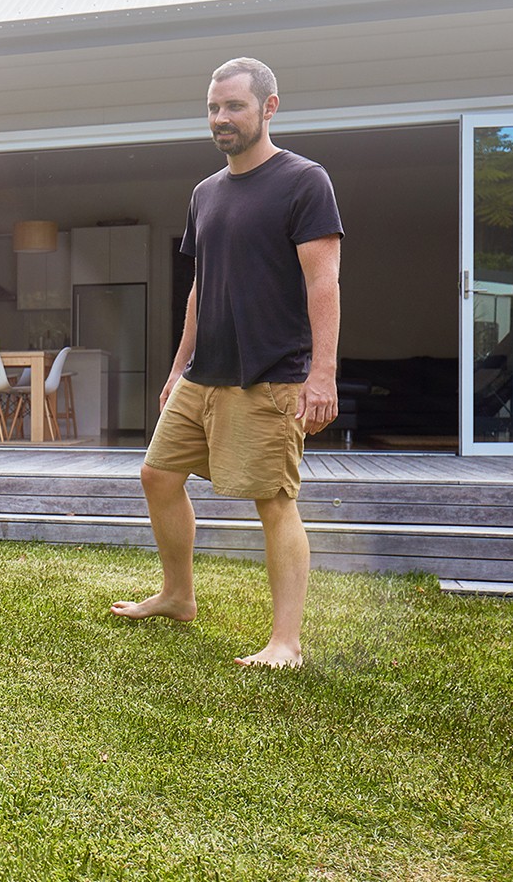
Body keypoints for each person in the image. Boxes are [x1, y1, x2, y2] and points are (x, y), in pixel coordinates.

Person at [112, 57, 342, 669]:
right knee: (158, 475)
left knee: (273, 499)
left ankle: (285, 641)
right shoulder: (205, 193)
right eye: (213, 107)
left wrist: (322, 374)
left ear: (268, 108)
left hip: (270, 373)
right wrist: (177, 366)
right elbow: (198, 287)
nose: (220, 119)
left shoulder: (303, 181)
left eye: (234, 106)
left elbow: (324, 282)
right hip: (202, 373)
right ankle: (178, 595)